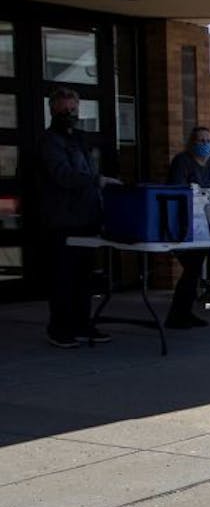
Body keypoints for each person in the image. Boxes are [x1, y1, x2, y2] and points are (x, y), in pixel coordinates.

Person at [38, 87, 113, 348]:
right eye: (64, 109)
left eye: (73, 109)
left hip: (86, 218)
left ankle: (83, 324)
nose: (70, 113)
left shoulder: (80, 140)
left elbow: (88, 171)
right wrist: (96, 180)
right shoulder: (50, 142)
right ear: (53, 110)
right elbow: (63, 175)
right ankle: (59, 328)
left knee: (84, 278)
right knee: (63, 278)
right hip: (62, 220)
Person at [165, 126, 210, 328]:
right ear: (192, 143)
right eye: (200, 141)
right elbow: (178, 190)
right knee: (191, 267)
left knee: (194, 268)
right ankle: (178, 314)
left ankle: (183, 312)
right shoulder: (183, 163)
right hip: (185, 224)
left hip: (208, 225)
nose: (205, 144)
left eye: (208, 141)